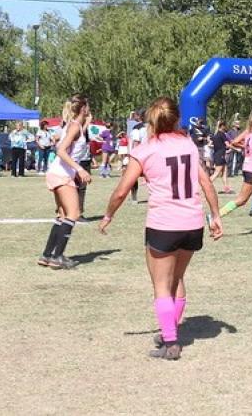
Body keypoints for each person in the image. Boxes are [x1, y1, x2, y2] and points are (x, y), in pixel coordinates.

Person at [98, 97, 223, 360]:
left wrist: (108, 214)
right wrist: (215, 215)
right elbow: (206, 183)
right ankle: (170, 329)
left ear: (150, 122)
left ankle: (170, 342)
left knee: (161, 285)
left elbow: (122, 190)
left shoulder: (145, 150)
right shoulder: (188, 144)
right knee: (177, 279)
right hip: (192, 223)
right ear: (176, 119)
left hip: (163, 224)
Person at [37, 95, 92, 270]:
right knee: (73, 213)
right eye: (88, 106)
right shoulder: (75, 126)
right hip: (61, 174)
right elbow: (60, 150)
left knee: (62, 215)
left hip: (58, 173)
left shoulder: (75, 125)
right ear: (83, 108)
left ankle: (47, 255)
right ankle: (57, 257)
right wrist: (80, 169)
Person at [129, 109, 148, 204]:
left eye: (135, 115)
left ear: (139, 116)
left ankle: (134, 198)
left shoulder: (137, 128)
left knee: (133, 177)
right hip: (149, 154)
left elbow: (136, 142)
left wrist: (132, 156)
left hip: (139, 155)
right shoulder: (151, 127)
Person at [209, 120, 233, 194]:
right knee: (216, 173)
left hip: (217, 154)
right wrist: (236, 148)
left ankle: (226, 188)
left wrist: (220, 147)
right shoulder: (222, 134)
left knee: (225, 172)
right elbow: (228, 145)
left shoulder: (215, 134)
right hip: (220, 155)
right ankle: (206, 185)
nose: (226, 127)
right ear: (222, 126)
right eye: (225, 126)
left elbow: (210, 145)